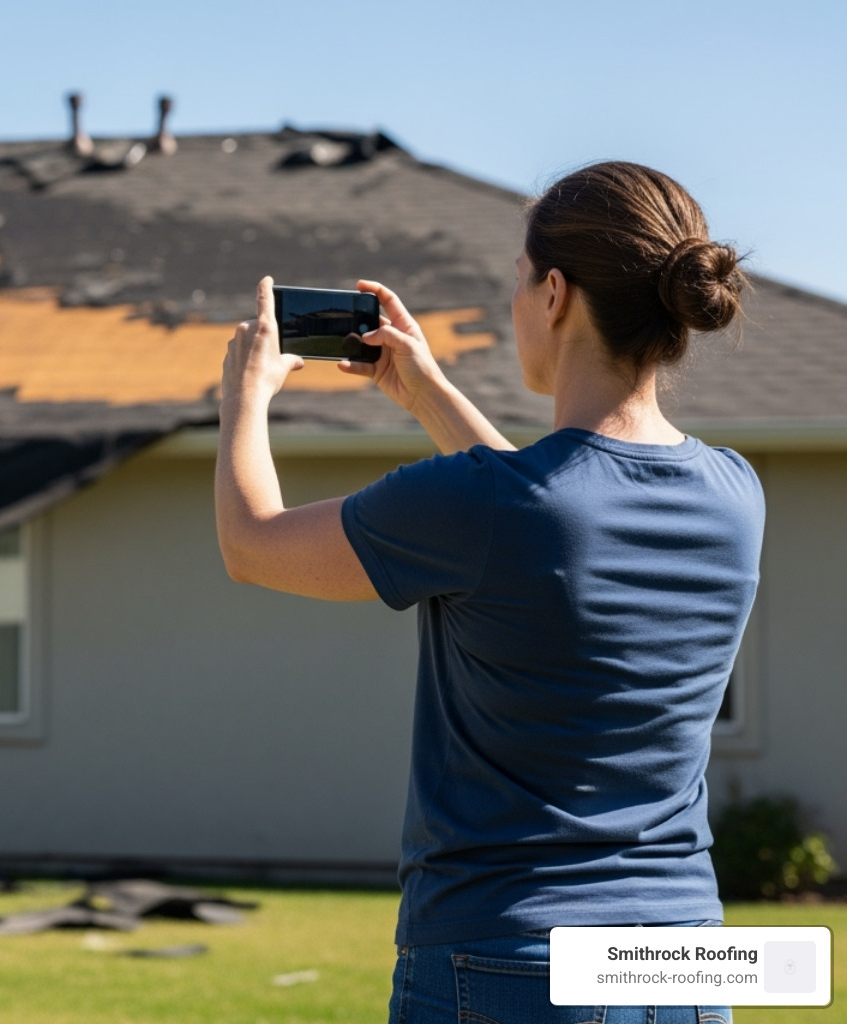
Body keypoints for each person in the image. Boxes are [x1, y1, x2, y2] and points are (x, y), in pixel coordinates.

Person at [215, 161, 759, 1024]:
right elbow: (554, 510)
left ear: (554, 294)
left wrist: (246, 395)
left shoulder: (483, 506)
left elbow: (252, 543)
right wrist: (424, 388)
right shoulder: (735, 496)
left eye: (516, 281)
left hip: (508, 960)